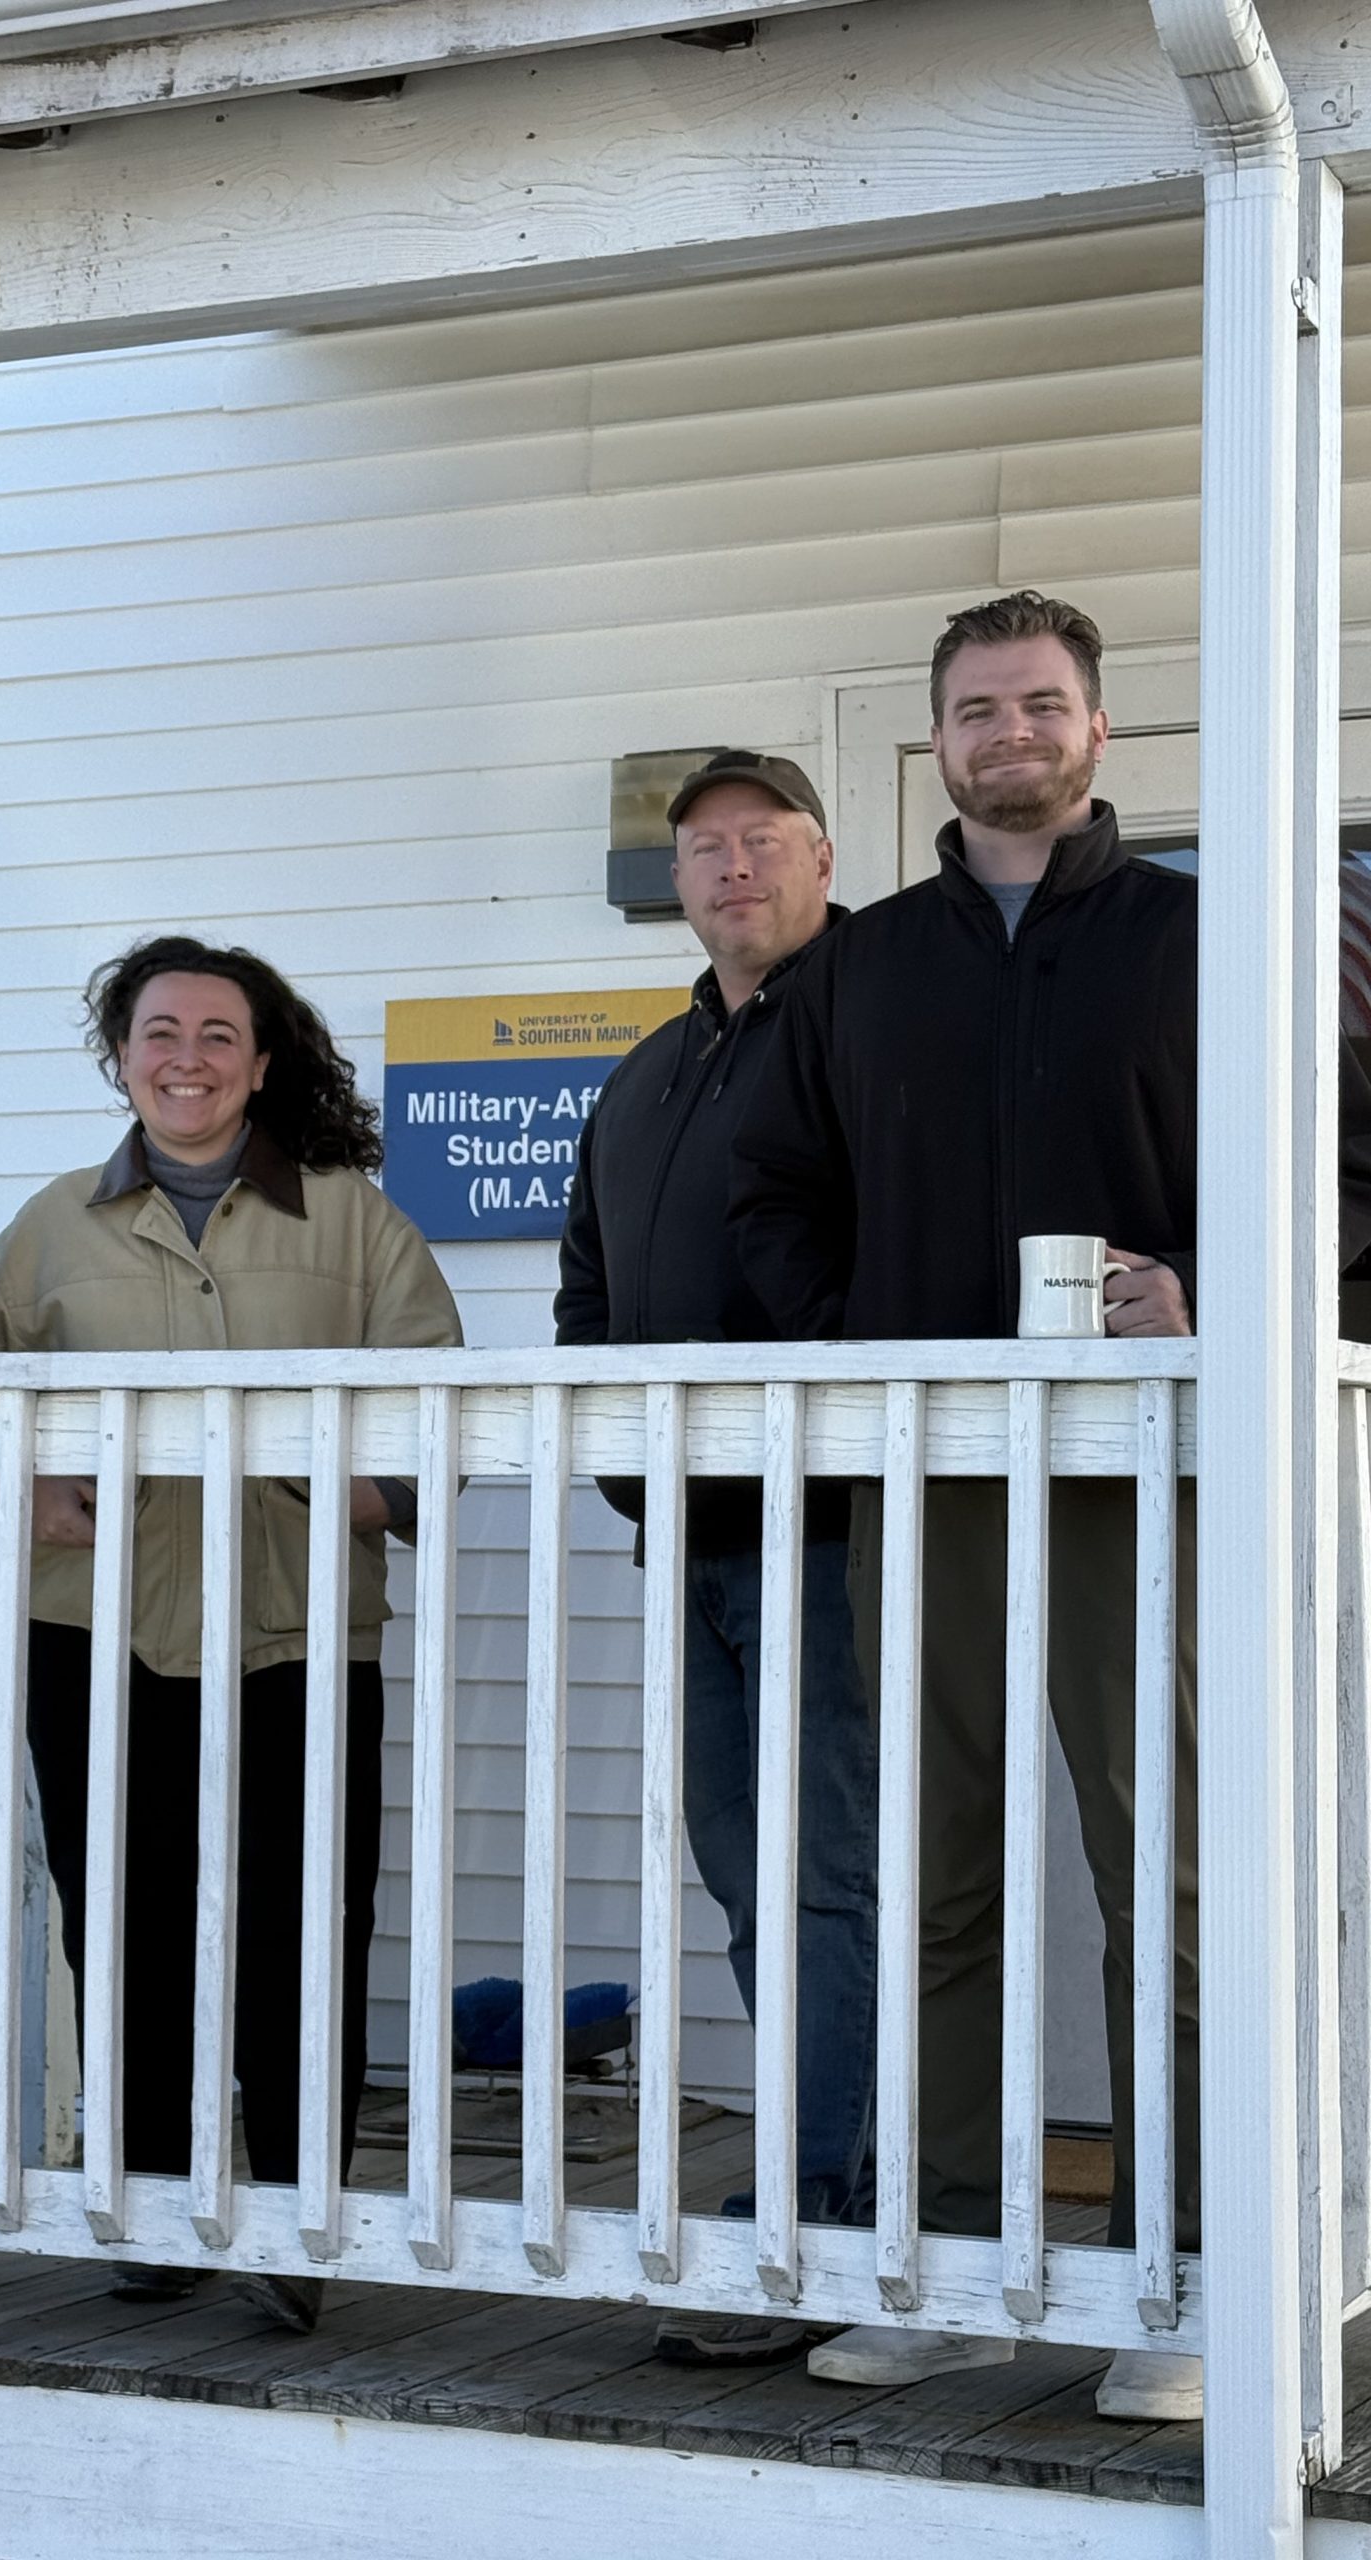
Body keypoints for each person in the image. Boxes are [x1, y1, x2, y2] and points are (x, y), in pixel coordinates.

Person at [728, 590, 1371, 2425]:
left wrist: (1226, 1289)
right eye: (979, 708)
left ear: (1100, 730)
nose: (1013, 731)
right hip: (930, 1476)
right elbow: (770, 1198)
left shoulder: (1216, 932)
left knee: (1162, 1874)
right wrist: (873, 1341)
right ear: (938, 740)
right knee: (931, 1879)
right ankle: (949, 2270)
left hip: (1152, 1474)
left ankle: (1184, 2280)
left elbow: (1351, 1163)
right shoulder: (860, 967)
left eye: (1043, 702)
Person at [0, 932, 462, 2334]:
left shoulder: (356, 1225)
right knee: (124, 1922)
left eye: (218, 1035)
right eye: (160, 1032)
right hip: (100, 1632)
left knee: (305, 1927)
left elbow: (436, 1411)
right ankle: (153, 2207)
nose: (187, 1057)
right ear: (120, 1055)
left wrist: (343, 1484)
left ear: (261, 1060)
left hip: (297, 1628)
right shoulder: (50, 1226)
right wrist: (33, 1482)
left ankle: (303, 2220)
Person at [556, 750, 871, 2370]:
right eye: (705, 849)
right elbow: (587, 1288)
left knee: (836, 1877)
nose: (732, 868)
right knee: (752, 1883)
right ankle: (821, 2188)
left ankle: (836, 2213)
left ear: (824, 856)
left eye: (762, 842)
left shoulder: (875, 1023)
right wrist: (630, 1471)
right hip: (686, 1540)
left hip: (836, 1533)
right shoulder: (654, 1066)